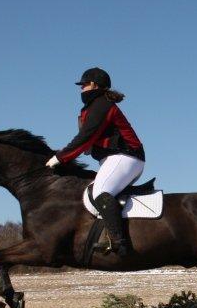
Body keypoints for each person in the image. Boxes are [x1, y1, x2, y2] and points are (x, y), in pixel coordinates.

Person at [46, 67, 145, 256]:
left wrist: (60, 157)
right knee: (92, 191)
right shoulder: (95, 105)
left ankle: (119, 243)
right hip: (116, 158)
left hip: (127, 157)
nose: (81, 89)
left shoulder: (102, 104)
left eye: (83, 85)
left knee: (101, 191)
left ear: (94, 85)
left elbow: (86, 136)